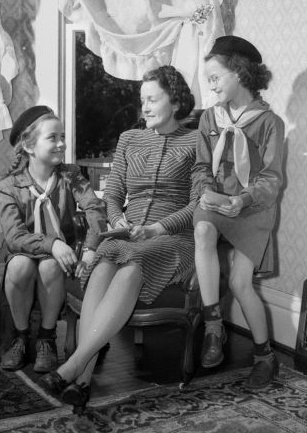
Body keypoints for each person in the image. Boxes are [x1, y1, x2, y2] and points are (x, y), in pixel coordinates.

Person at [40, 65, 197, 410]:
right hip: (127, 230)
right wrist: (116, 218)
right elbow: (112, 195)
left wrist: (158, 228)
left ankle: (74, 369)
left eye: (152, 99)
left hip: (174, 236)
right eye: (142, 100)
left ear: (175, 99)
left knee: (133, 262)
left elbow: (198, 205)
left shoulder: (196, 141)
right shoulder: (129, 138)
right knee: (105, 262)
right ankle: (79, 381)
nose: (145, 107)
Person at [192, 35, 285, 389]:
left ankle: (265, 358)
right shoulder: (208, 119)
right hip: (216, 203)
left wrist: (241, 201)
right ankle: (213, 324)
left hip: (252, 208)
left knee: (240, 283)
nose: (211, 85)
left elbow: (271, 179)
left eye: (215, 77)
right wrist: (206, 192)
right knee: (202, 229)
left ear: (240, 73)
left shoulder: (268, 122)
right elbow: (201, 166)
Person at [0, 106, 107, 372]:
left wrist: (90, 248)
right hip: (25, 255)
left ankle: (47, 338)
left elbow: (95, 209)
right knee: (20, 265)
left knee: (49, 264)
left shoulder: (71, 176)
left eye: (62, 137)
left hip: (59, 262)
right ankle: (20, 337)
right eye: (53, 138)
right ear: (30, 147)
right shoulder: (7, 187)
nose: (61, 144)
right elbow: (15, 238)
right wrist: (52, 243)